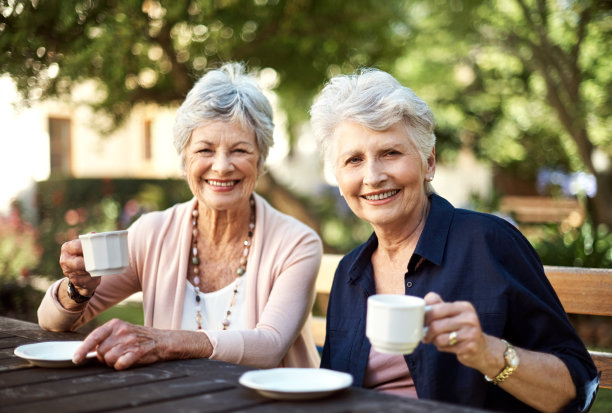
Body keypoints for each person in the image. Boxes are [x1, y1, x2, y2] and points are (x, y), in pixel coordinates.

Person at [309, 68, 599, 412]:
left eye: (390, 153)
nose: (373, 176)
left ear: (428, 162)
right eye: (354, 160)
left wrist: (487, 352)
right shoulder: (350, 273)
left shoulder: (489, 243)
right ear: (340, 179)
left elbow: (577, 388)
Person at [38, 62, 322, 371]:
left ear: (261, 160)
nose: (222, 166)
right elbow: (50, 321)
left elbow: (269, 347)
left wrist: (163, 341)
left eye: (240, 150)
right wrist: (78, 289)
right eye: (204, 150)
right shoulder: (153, 233)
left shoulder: (296, 243)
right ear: (184, 160)